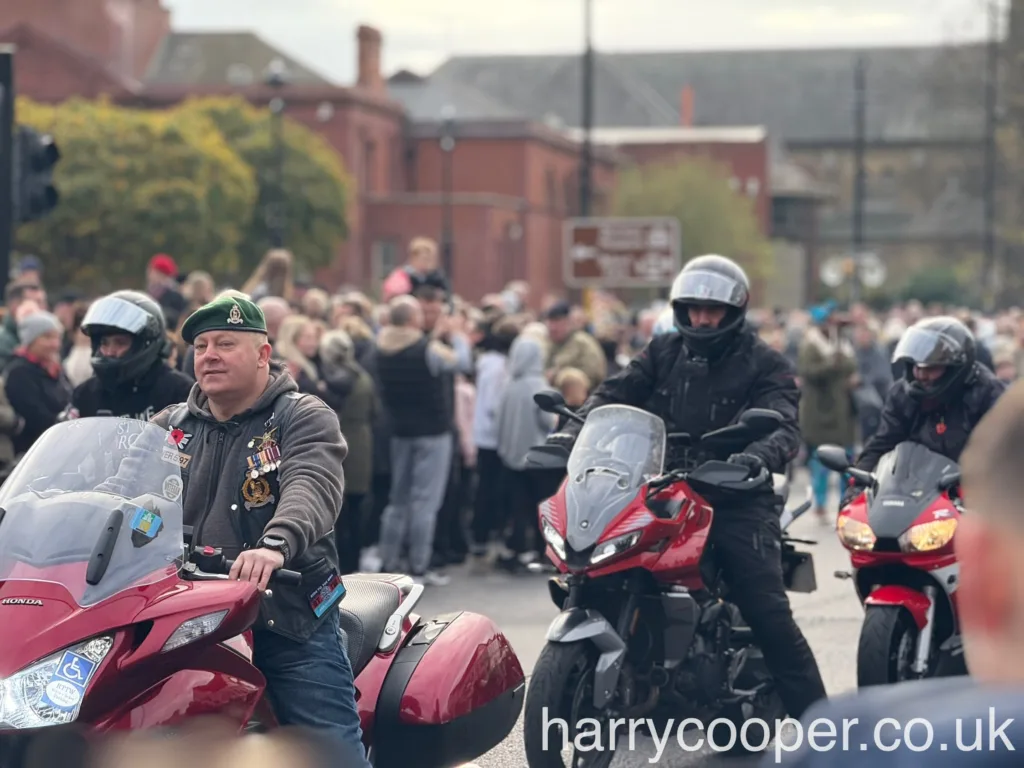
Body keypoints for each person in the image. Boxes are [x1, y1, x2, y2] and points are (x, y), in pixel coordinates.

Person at [546, 254, 827, 721]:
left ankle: (832, 735)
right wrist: (573, 434)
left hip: (734, 495)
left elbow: (784, 427)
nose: (701, 318)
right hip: (662, 485)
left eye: (712, 310)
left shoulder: (765, 362)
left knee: (768, 615)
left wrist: (753, 459)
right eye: (693, 308)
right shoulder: (663, 352)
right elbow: (613, 396)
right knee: (592, 567)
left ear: (733, 312)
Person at [147, 295, 368, 765]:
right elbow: (122, 493)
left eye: (225, 343)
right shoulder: (170, 426)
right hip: (183, 618)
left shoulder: (302, 416)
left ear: (263, 353)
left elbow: (312, 485)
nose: (209, 354)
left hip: (283, 615)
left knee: (332, 750)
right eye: (201, 345)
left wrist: (276, 544)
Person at [768, 380, 1024, 767]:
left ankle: (787, 689)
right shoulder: (905, 394)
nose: (927, 374)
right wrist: (856, 488)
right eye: (920, 367)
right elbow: (881, 445)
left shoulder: (850, 746)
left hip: (960, 493)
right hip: (917, 494)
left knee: (764, 604)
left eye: (935, 368)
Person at [843, 316, 1006, 507]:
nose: (921, 375)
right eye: (916, 367)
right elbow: (883, 441)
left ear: (956, 367)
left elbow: (1004, 453)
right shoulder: (902, 394)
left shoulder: (988, 393)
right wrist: (856, 487)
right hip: (912, 498)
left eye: (931, 368)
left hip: (974, 498)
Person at [66, 291, 193, 421]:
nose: (110, 351)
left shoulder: (179, 392)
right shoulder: (85, 395)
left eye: (120, 342)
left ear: (145, 343)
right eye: (104, 343)